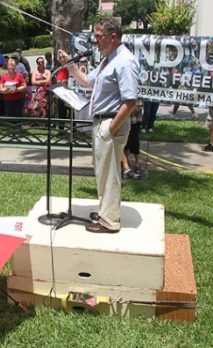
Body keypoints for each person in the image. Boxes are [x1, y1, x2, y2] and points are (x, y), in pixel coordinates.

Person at [57, 17, 139, 233]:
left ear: (113, 37)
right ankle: (105, 211)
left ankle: (109, 221)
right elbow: (88, 81)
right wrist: (70, 65)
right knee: (102, 172)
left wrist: (111, 128)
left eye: (99, 37)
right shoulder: (108, 59)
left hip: (111, 122)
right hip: (102, 121)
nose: (95, 41)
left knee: (110, 173)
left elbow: (130, 101)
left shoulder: (124, 61)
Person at [121, 101, 143, 178]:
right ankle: (126, 165)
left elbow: (139, 106)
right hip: (122, 120)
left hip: (135, 121)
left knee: (135, 142)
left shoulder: (138, 91)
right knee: (124, 144)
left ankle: (137, 163)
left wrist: (128, 112)